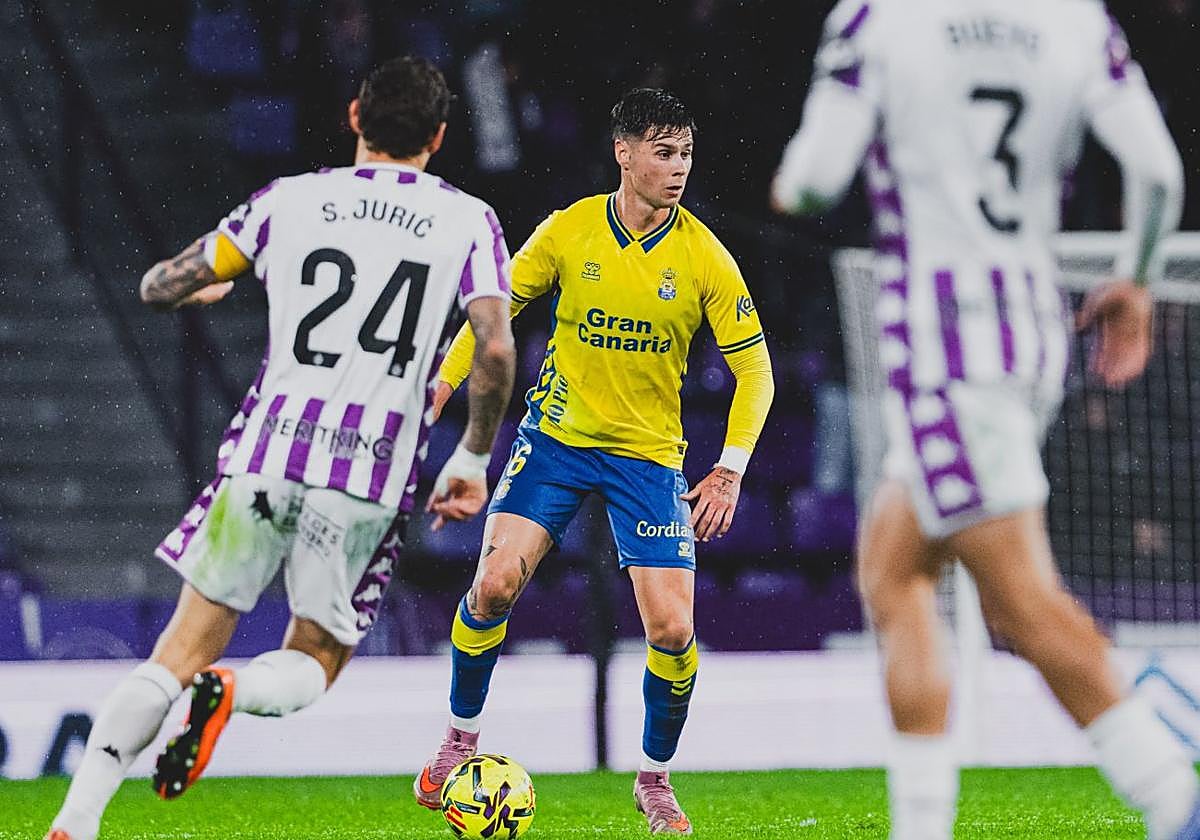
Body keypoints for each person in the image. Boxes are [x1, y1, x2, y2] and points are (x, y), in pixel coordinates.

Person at [45, 56, 516, 840]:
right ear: (437, 135)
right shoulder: (468, 219)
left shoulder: (288, 201)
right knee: (317, 655)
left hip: (264, 458)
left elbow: (158, 284)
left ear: (355, 118)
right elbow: (495, 350)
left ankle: (77, 818)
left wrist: (202, 285)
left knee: (175, 651)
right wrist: (469, 457)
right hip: (366, 473)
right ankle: (231, 690)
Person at [771, 1, 1199, 839]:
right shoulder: (1075, 20)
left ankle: (1173, 798)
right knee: (894, 572)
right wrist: (1136, 280)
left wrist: (789, 181)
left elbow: (816, 177)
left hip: (944, 351)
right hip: (1029, 332)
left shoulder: (878, 19)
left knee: (1021, 605)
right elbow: (1159, 174)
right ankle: (922, 827)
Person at [413, 88, 775, 835]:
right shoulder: (570, 230)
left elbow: (757, 373)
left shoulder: (704, 255)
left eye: (686, 155)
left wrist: (730, 466)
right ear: (625, 152)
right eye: (663, 152)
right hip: (555, 441)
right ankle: (458, 742)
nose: (677, 170)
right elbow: (495, 313)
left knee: (673, 632)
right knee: (493, 583)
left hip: (646, 457)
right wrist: (444, 383)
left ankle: (654, 780)